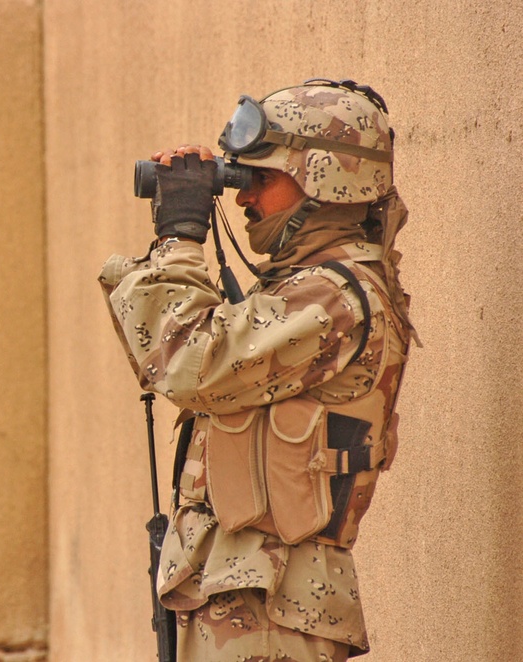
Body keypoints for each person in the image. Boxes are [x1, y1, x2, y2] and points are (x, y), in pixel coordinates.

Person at [99, 80, 418, 661]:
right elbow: (172, 359)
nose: (243, 198)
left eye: (261, 179)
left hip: (273, 607)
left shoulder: (335, 298)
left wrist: (180, 235)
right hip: (243, 594)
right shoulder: (305, 291)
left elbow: (188, 364)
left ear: (325, 181)